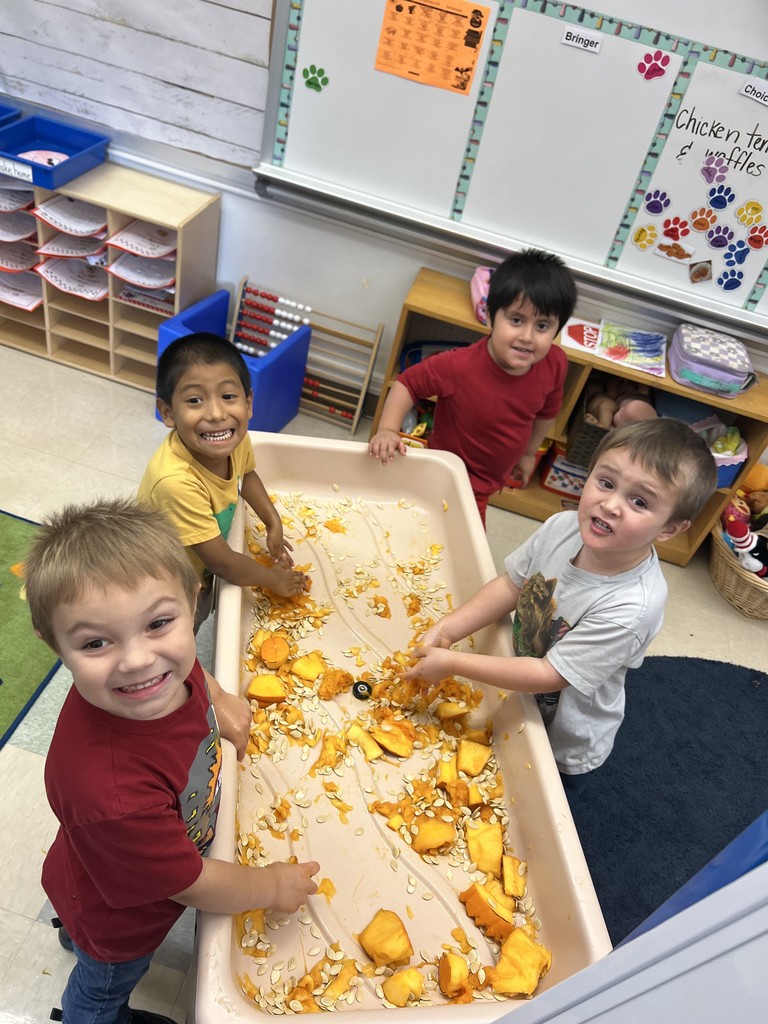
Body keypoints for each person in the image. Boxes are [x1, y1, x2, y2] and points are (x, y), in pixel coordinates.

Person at [24, 498, 319, 1024]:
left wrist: (219, 696)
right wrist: (272, 886)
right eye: (96, 642)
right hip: (120, 922)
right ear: (54, 645)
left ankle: (75, 930)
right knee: (100, 988)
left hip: (99, 864)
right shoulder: (112, 793)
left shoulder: (151, 678)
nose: (139, 660)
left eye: (158, 623)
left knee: (83, 920)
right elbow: (191, 882)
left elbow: (190, 671)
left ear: (193, 599)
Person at [402, 419, 717, 804]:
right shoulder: (561, 527)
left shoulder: (633, 608)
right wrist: (448, 628)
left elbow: (549, 675)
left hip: (567, 736)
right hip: (519, 684)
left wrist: (452, 662)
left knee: (548, 802)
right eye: (606, 482)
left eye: (639, 502)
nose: (611, 505)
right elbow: (511, 585)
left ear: (669, 529)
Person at [368, 249, 578, 524]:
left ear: (557, 330)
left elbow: (546, 412)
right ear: (490, 317)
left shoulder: (555, 363)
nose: (527, 336)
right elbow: (408, 383)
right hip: (447, 473)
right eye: (516, 320)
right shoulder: (458, 366)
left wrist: (528, 454)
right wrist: (387, 429)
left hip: (490, 481)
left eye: (542, 326)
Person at [139, 332, 307, 632]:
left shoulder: (232, 439)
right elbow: (224, 563)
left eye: (228, 396)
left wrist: (273, 522)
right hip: (162, 582)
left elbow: (247, 475)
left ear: (248, 402)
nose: (217, 414)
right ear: (168, 413)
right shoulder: (175, 482)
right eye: (195, 400)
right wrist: (274, 580)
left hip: (199, 568)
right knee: (176, 635)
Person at [584, 372, 657, 429]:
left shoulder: (618, 430)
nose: (621, 409)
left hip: (616, 398)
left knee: (607, 402)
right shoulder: (642, 394)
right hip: (636, 394)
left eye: (621, 413)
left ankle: (603, 425)